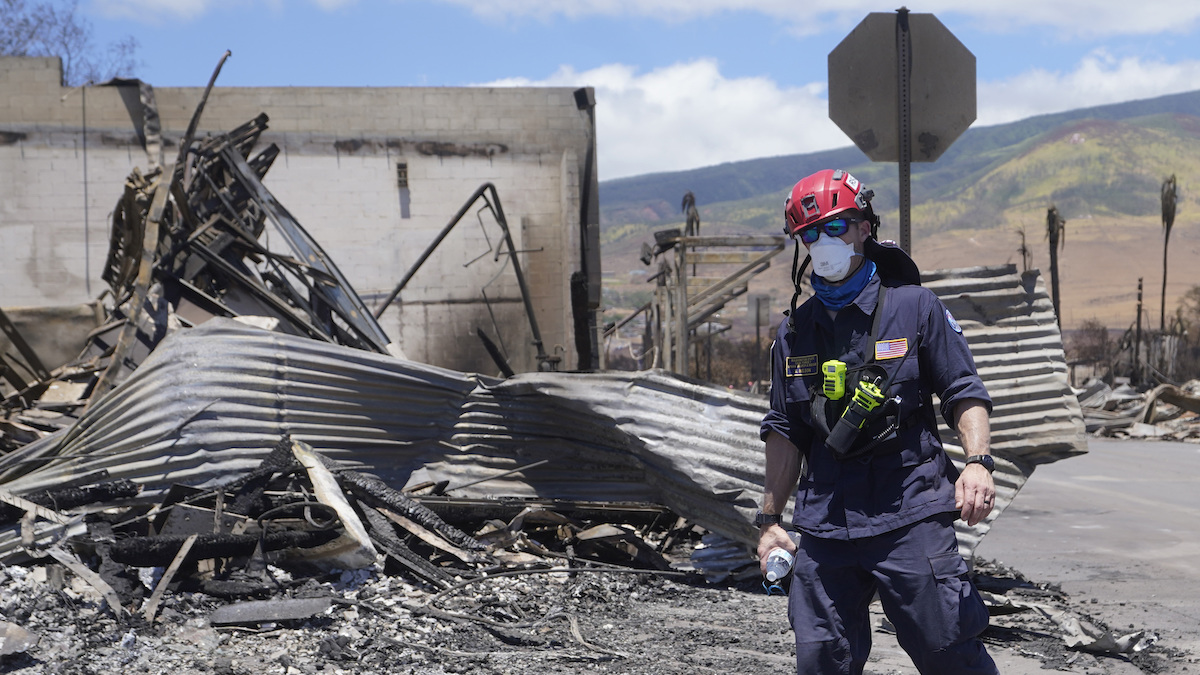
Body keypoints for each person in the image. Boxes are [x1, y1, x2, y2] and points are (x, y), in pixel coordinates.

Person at [756, 169, 999, 674]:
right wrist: (771, 520)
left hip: (909, 511)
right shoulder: (794, 332)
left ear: (864, 227)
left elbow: (963, 391)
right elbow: (785, 427)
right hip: (826, 523)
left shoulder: (915, 308)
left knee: (948, 651)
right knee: (823, 660)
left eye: (837, 226)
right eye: (811, 234)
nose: (825, 243)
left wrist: (977, 463)